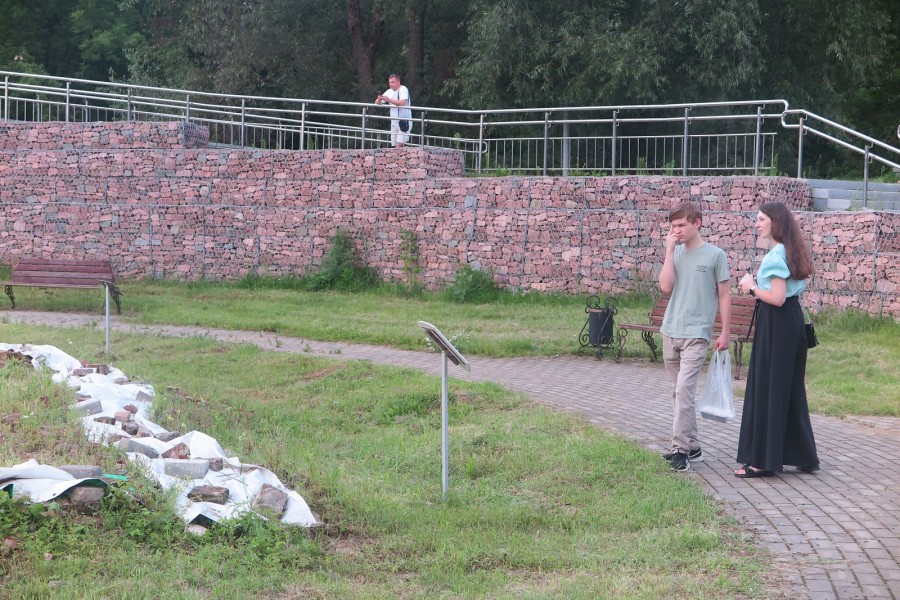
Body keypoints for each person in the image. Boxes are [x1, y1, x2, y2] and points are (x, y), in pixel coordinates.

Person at [734, 202, 819, 478]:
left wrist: (751, 287)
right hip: (792, 322)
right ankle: (804, 456)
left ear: (775, 222)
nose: (756, 223)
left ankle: (762, 462)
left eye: (761, 219)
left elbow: (777, 298)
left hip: (777, 322)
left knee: (768, 387)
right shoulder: (791, 251)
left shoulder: (773, 257)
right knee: (790, 388)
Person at [658, 202, 731, 472]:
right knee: (680, 395)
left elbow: (724, 295)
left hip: (697, 334)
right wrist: (668, 250)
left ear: (697, 223)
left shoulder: (715, 255)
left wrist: (724, 332)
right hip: (671, 330)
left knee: (684, 391)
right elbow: (665, 287)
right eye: (672, 226)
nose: (676, 231)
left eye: (681, 225)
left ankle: (680, 451)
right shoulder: (673, 252)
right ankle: (694, 446)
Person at [375, 73, 412, 147]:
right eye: (389, 82)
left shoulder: (403, 89)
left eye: (393, 82)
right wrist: (379, 99)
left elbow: (402, 103)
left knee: (399, 145)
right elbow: (377, 103)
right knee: (395, 147)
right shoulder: (389, 91)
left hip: (404, 122)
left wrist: (389, 99)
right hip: (394, 123)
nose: (391, 84)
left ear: (398, 82)